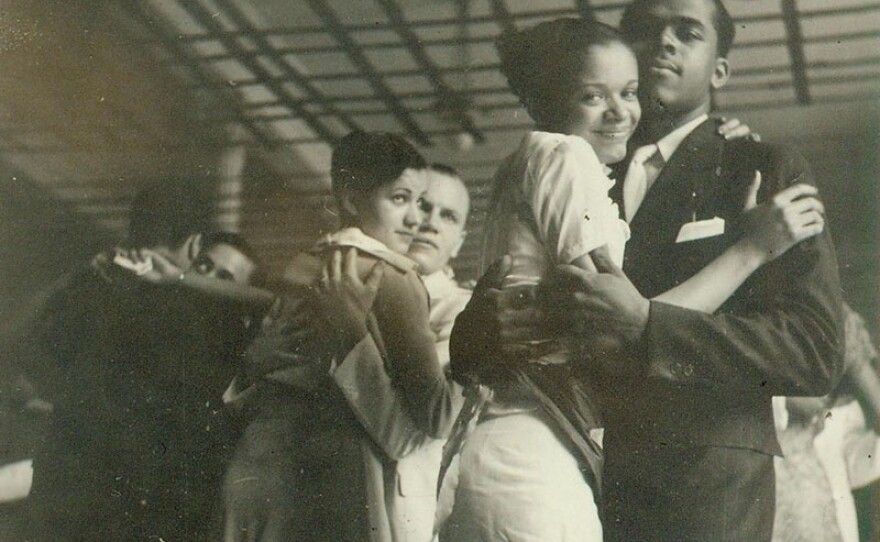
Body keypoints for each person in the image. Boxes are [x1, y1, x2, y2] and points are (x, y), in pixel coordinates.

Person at [445, 16, 830, 542]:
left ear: (720, 71)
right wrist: (478, 335)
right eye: (648, 28)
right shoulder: (585, 157)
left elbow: (813, 351)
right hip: (572, 453)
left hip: (699, 481)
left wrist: (651, 325)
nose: (665, 41)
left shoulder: (758, 165)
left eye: (688, 32)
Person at [222, 132, 458, 542]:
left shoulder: (297, 266)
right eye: (400, 199)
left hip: (255, 464)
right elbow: (435, 415)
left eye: (419, 203)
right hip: (331, 476)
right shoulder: (395, 277)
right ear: (351, 201)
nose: (416, 219)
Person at [26, 181, 262, 541]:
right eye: (205, 266)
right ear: (194, 249)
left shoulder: (237, 346)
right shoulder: (138, 304)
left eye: (224, 279)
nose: (206, 279)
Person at [319, 163, 473, 542]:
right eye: (420, 204)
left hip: (396, 506)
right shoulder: (339, 277)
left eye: (448, 215)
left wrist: (350, 332)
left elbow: (409, 431)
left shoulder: (463, 314)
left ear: (459, 241)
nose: (428, 222)